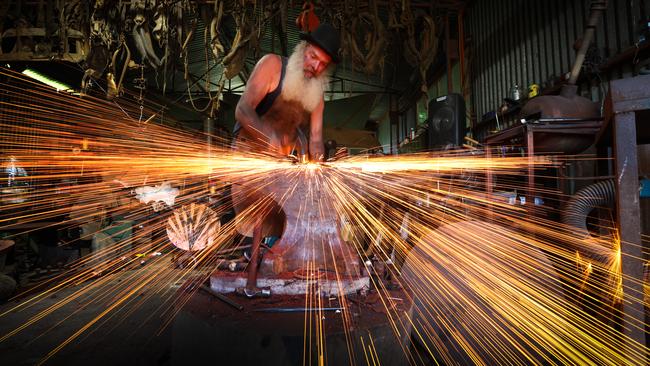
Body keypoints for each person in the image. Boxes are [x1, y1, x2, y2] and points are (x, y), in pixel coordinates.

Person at [231, 24, 341, 297]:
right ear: (302, 49)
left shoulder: (316, 97)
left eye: (322, 64)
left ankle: (271, 268)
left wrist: (318, 167)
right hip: (249, 156)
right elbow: (242, 109)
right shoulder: (272, 67)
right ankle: (245, 268)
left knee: (285, 226)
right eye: (313, 56)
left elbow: (315, 138)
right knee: (249, 230)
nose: (314, 66)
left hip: (282, 166)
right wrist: (265, 137)